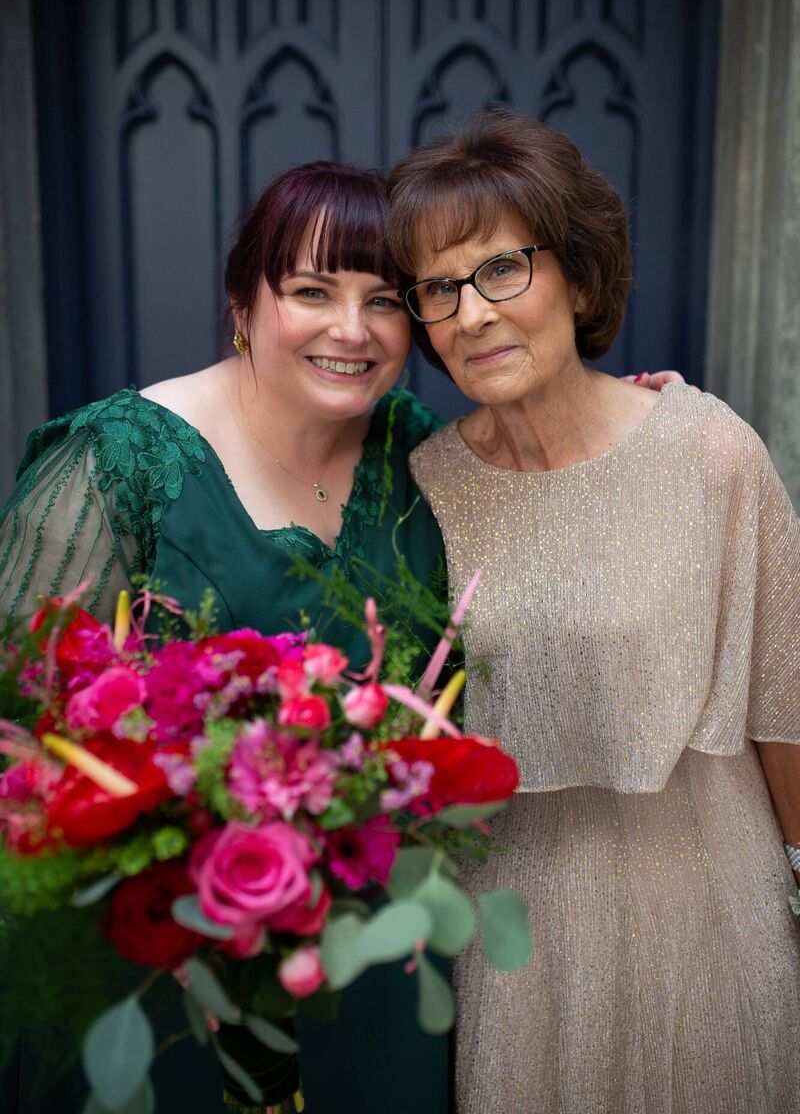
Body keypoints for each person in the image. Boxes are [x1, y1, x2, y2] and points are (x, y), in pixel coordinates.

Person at [0, 153, 675, 1114]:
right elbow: (20, 736)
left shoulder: (419, 454)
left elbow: (544, 511)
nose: (351, 330)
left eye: (384, 300)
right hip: (171, 974)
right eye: (312, 291)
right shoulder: (116, 462)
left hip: (377, 967)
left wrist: (620, 424)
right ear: (244, 302)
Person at [386, 109, 800, 1114]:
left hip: (704, 912)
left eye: (501, 269)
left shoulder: (709, 453)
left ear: (576, 274)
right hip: (515, 943)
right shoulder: (425, 485)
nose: (470, 314)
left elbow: (784, 702)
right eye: (438, 288)